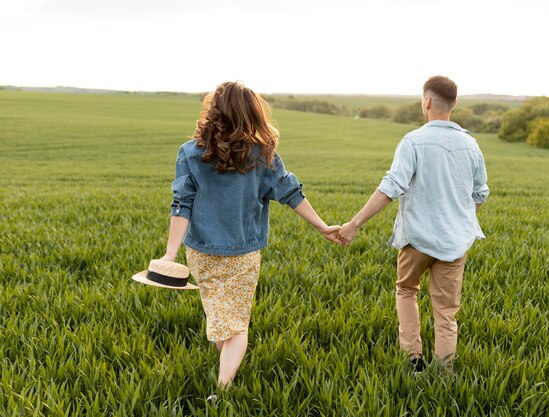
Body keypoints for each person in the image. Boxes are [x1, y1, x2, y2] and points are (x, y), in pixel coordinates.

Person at [160, 81, 341, 393]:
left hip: (201, 250)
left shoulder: (190, 152)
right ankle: (225, 387)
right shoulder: (262, 155)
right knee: (234, 322)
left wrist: (170, 255)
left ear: (213, 112)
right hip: (243, 252)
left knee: (219, 317)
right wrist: (322, 226)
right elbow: (290, 193)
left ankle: (224, 382)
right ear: (251, 114)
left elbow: (181, 204)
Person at [337, 76, 489, 373]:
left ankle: (413, 360)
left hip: (416, 238)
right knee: (446, 312)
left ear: (427, 101)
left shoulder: (414, 141)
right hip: (455, 242)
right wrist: (459, 219)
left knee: (406, 290)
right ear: (454, 104)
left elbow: (391, 186)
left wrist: (354, 223)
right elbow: (480, 194)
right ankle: (444, 373)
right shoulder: (471, 145)